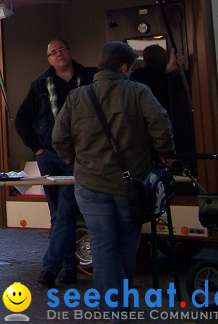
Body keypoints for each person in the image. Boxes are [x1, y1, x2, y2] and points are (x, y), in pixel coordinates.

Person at [53, 41, 175, 306]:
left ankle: (115, 307)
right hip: (130, 185)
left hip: (89, 185)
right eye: (130, 68)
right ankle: (122, 302)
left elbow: (59, 138)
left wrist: (76, 161)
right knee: (126, 245)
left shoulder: (77, 97)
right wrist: (165, 151)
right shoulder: (138, 92)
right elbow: (160, 122)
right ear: (123, 67)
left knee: (102, 246)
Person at [15, 39, 96, 288]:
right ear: (49, 59)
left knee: (66, 212)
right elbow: (21, 120)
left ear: (70, 52)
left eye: (62, 50)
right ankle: (69, 268)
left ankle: (50, 268)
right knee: (58, 214)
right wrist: (37, 149)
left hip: (77, 157)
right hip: (49, 156)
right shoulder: (40, 85)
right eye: (53, 53)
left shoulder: (91, 78)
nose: (59, 55)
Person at [130, 45, 195, 157]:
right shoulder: (179, 78)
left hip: (148, 139)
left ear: (145, 59)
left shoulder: (139, 80)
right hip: (182, 131)